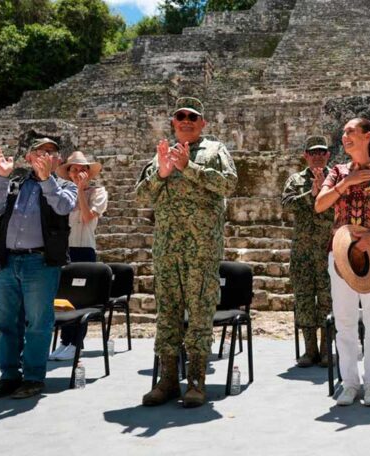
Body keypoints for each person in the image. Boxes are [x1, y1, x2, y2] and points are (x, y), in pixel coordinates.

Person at [136, 97, 237, 408]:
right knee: (166, 314)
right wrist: (162, 172)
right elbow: (141, 196)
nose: (186, 121)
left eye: (193, 116)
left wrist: (188, 167)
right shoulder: (159, 156)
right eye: (180, 116)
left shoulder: (215, 151)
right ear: (173, 122)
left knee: (199, 314)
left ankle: (195, 381)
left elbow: (229, 185)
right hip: (167, 249)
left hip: (202, 249)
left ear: (202, 122)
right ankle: (167, 381)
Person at [315, 118, 370, 406]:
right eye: (343, 133)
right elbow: (320, 204)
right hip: (340, 251)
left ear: (368, 136)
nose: (345, 136)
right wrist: (346, 183)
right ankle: (350, 383)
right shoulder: (337, 173)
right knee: (345, 321)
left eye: (351, 132)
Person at [0, 137, 77, 399]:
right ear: (28, 158)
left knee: (38, 322)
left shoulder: (65, 186)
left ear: (57, 160)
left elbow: (62, 206)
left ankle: (34, 377)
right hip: (9, 261)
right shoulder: (14, 185)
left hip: (40, 263)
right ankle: (9, 376)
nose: (45, 156)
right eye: (39, 152)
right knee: (6, 322)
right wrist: (2, 177)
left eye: (51, 153)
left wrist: (47, 180)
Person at [48, 151, 108, 361]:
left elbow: (87, 216)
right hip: (65, 250)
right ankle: (65, 342)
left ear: (88, 173)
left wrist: (81, 191)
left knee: (80, 298)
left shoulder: (98, 192)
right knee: (63, 298)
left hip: (83, 249)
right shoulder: (64, 192)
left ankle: (77, 344)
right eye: (74, 169)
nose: (78, 172)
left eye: (82, 169)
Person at [281, 136, 334, 367]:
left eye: (322, 152)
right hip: (302, 252)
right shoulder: (295, 180)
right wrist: (310, 195)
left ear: (328, 155)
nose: (318, 156)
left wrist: (324, 191)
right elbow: (286, 204)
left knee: (327, 300)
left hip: (327, 250)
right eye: (313, 152)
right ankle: (309, 350)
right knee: (303, 300)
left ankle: (325, 350)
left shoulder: (336, 179)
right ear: (306, 155)